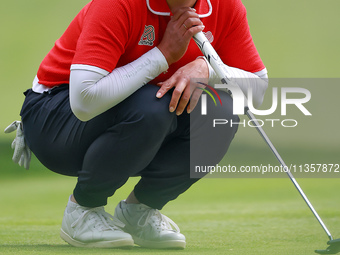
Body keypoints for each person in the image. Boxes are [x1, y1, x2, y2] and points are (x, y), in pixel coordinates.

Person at [7, 0, 268, 249]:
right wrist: (164, 53)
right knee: (154, 106)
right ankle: (82, 209)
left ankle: (139, 211)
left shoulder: (225, 7)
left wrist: (207, 69)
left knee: (219, 111)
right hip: (55, 119)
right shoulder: (117, 5)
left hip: (136, 114)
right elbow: (84, 101)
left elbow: (257, 89)